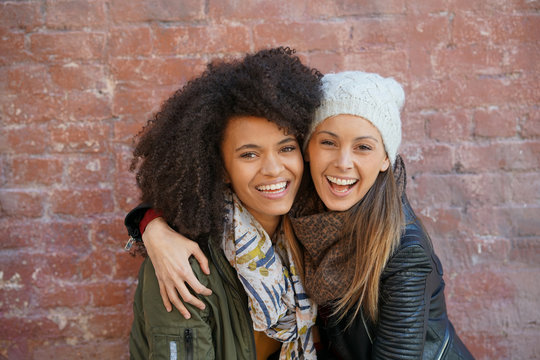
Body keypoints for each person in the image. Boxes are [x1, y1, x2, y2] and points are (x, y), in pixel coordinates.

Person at [128, 72, 474, 359]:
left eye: (286, 148)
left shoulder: (391, 243)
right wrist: (151, 224)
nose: (342, 163)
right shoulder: (294, 208)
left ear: (387, 159)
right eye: (249, 154)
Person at [127, 47, 322, 360]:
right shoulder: (186, 268)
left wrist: (148, 223)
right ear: (220, 168)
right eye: (249, 154)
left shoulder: (310, 237)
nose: (273, 168)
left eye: (286, 148)